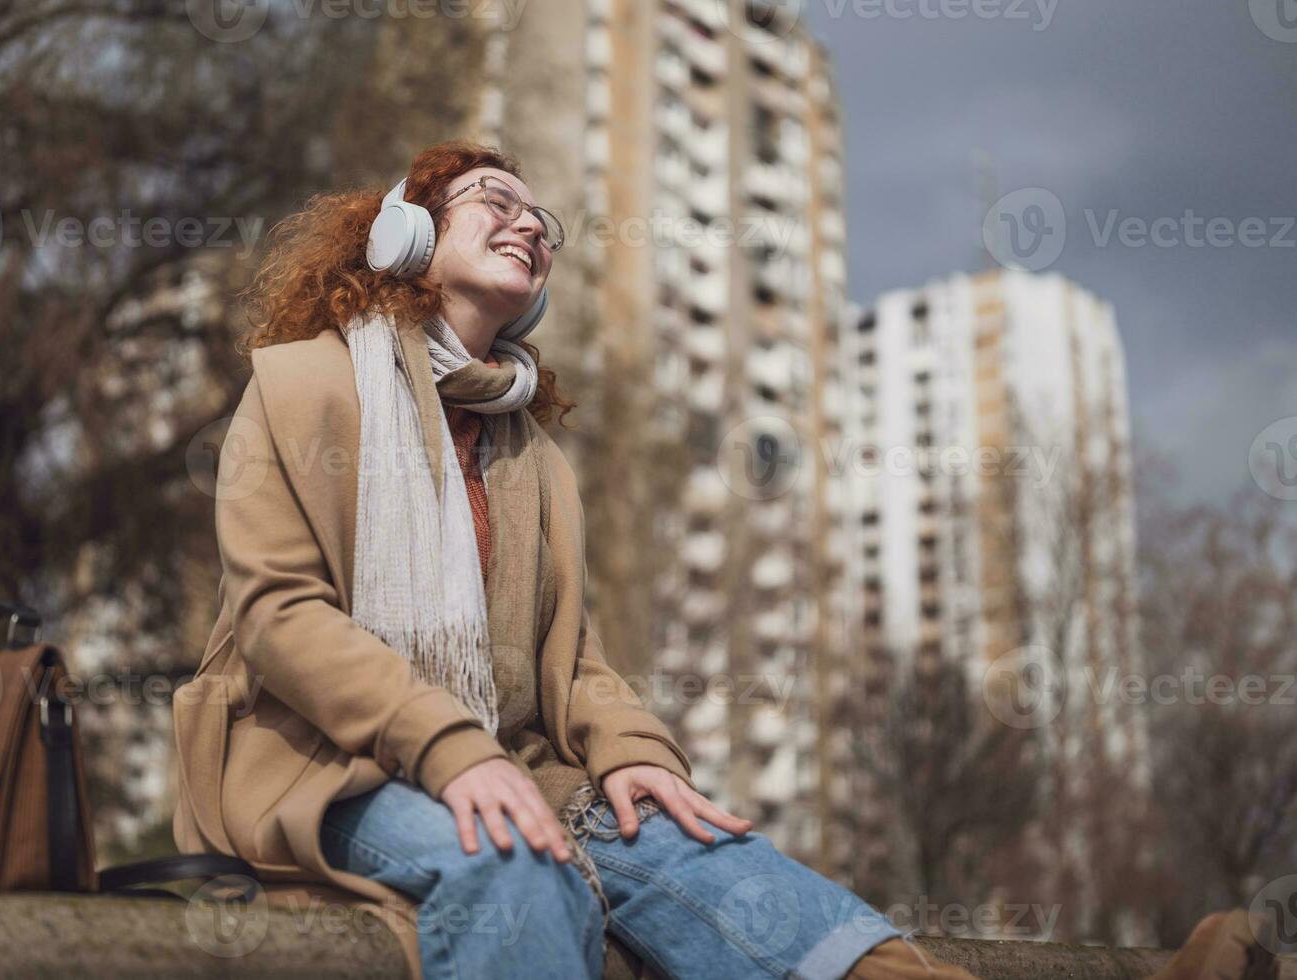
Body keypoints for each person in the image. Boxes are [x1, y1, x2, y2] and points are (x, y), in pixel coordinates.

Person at [171, 139, 1276, 980]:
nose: (530, 223)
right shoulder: (299, 386)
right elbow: (281, 614)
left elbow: (575, 662)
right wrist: (453, 750)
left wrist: (634, 751)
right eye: (494, 202)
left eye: (541, 216)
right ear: (407, 237)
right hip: (328, 767)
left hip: (515, 763)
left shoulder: (532, 454)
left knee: (723, 861)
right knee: (517, 862)